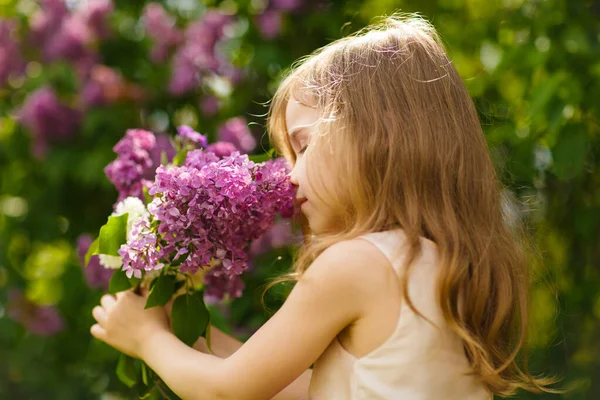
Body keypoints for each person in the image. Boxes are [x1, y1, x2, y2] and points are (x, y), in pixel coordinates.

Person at [90, 13, 558, 400]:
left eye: (305, 145)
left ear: (382, 137)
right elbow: (310, 387)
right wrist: (189, 334)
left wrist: (146, 337)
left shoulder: (356, 263)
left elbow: (227, 391)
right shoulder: (437, 262)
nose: (291, 175)